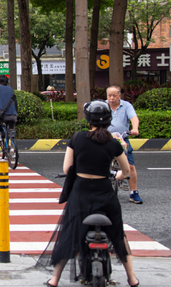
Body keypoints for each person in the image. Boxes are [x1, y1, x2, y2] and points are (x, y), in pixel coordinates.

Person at [37, 100, 139, 287]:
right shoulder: (114, 143)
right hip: (105, 196)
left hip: (80, 194)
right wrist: (115, 175)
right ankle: (132, 278)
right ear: (109, 120)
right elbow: (126, 172)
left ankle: (54, 279)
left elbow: (67, 168)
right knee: (119, 235)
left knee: (69, 233)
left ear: (88, 120)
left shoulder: (77, 138)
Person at [106, 84, 143, 204]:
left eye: (114, 95)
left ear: (119, 95)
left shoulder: (126, 105)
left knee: (130, 166)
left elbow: (134, 118)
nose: (111, 98)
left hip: (122, 139)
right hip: (105, 139)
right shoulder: (103, 106)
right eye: (109, 95)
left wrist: (135, 128)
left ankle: (134, 192)